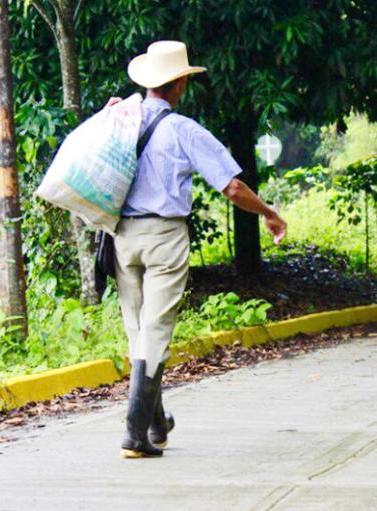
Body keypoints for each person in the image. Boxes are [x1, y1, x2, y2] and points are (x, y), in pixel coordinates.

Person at [110, 41, 287, 458]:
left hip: (120, 237)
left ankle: (155, 425)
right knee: (154, 331)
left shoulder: (119, 119)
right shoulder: (183, 130)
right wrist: (268, 212)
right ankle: (134, 434)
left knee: (137, 331)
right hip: (164, 236)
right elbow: (233, 187)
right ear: (181, 84)